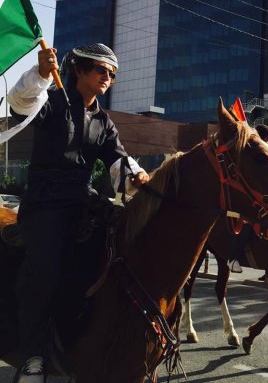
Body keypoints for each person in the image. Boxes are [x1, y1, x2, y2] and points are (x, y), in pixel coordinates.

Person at [8, 43, 150, 382]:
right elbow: (20, 104)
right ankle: (33, 356)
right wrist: (41, 74)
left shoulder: (105, 121)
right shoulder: (53, 100)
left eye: (112, 74)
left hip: (84, 203)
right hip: (45, 204)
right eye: (101, 69)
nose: (108, 77)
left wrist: (138, 176)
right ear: (80, 70)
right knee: (45, 269)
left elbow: (119, 160)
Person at [228, 122, 268, 274]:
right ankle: (233, 257)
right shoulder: (247, 154)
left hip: (260, 198)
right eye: (267, 139)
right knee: (248, 222)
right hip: (242, 197)